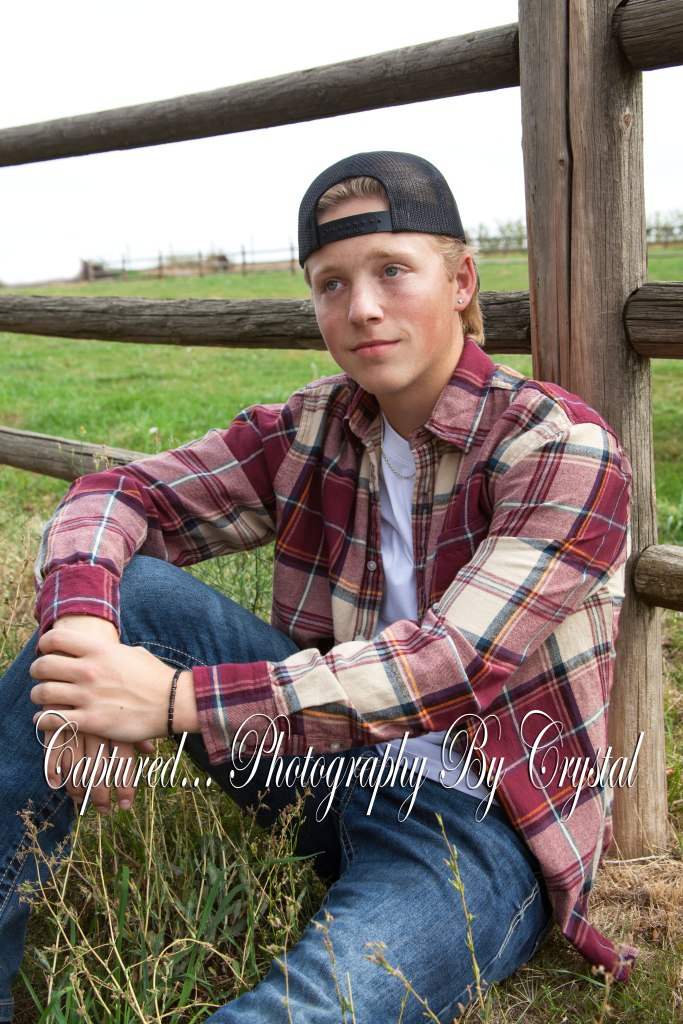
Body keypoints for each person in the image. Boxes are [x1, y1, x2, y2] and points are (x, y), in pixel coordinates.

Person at [0, 151, 636, 1023]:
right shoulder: (312, 427)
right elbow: (118, 494)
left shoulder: (559, 448)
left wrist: (172, 702)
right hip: (324, 766)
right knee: (129, 594)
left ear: (460, 281)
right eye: (331, 283)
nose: (361, 307)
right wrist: (84, 650)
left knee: (297, 1013)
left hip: (481, 826)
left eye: (391, 271)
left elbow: (448, 667)